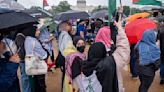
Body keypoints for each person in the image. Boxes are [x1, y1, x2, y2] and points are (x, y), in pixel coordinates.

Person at [95, 14, 130, 92]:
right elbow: (122, 44)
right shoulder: (114, 29)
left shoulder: (102, 30)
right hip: (112, 53)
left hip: (101, 51)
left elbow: (97, 40)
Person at [24, 25, 48, 92]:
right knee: (41, 85)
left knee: (35, 84)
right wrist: (46, 52)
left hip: (31, 65)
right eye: (37, 30)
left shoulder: (27, 39)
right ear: (32, 31)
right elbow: (44, 55)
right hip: (38, 65)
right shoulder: (33, 40)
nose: (39, 32)